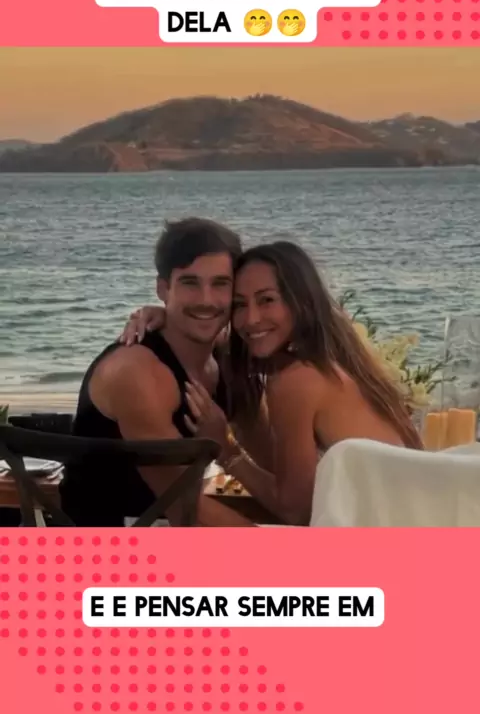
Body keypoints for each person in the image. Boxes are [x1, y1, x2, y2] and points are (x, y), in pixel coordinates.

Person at [121, 241, 423, 527]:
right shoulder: (336, 361)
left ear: (300, 302)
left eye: (267, 300)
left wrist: (225, 449)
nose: (251, 319)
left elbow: (296, 511)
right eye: (239, 305)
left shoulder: (296, 381)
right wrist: (169, 317)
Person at [59, 217, 255, 527]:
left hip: (163, 531)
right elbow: (184, 508)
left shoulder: (222, 356)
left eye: (220, 283)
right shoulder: (137, 373)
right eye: (190, 283)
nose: (206, 300)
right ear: (163, 288)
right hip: (102, 548)